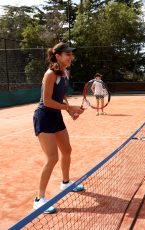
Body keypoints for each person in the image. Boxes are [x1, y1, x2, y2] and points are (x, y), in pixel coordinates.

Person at [32, 42, 85, 214]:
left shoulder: (66, 73)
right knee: (52, 158)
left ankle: (66, 182)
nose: (71, 57)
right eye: (67, 54)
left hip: (56, 116)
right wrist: (70, 108)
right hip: (44, 117)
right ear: (57, 56)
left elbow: (61, 95)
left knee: (67, 150)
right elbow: (46, 101)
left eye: (71, 54)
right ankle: (39, 199)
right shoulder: (50, 74)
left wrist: (70, 112)